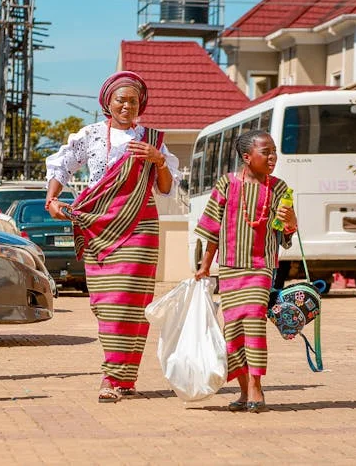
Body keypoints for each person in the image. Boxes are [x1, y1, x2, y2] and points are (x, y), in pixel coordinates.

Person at [45, 71, 181, 403]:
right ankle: (122, 374)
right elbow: (61, 166)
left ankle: (115, 377)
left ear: (140, 105)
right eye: (121, 100)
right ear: (108, 102)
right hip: (99, 227)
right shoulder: (90, 135)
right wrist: (51, 199)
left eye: (133, 101)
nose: (126, 106)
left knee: (132, 305)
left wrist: (159, 160)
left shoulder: (152, 140)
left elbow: (166, 188)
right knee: (106, 305)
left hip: (140, 226)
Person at [194, 130, 297, 413]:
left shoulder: (279, 188)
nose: (272, 157)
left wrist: (290, 221)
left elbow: (285, 232)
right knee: (233, 331)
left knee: (253, 323)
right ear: (247, 157)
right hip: (229, 268)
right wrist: (206, 264)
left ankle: (256, 388)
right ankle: (242, 391)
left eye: (274, 151)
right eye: (266, 152)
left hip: (261, 266)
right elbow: (213, 227)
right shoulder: (226, 184)